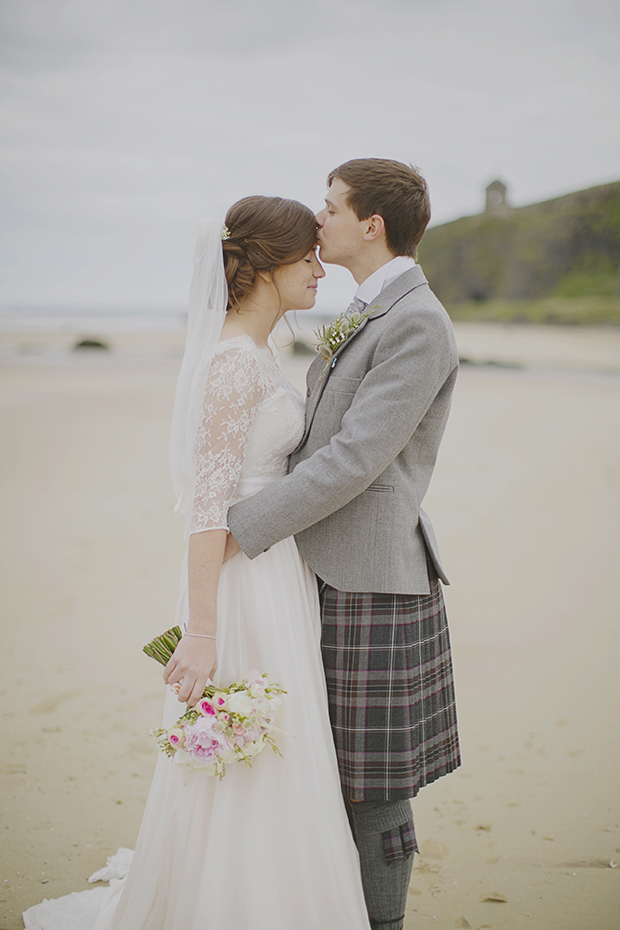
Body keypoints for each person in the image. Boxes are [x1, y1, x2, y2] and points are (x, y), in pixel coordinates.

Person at [23, 197, 371, 929]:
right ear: (268, 266)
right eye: (307, 258)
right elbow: (207, 508)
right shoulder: (232, 365)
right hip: (239, 583)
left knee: (280, 737)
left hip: (274, 570)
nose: (319, 271)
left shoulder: (262, 351)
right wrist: (203, 632)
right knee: (248, 736)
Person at [226, 159, 462, 930]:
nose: (316, 220)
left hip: (372, 578)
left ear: (372, 226)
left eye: (329, 209)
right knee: (325, 770)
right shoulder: (367, 305)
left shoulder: (417, 320)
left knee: (376, 785)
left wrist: (248, 524)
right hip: (323, 568)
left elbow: (357, 457)